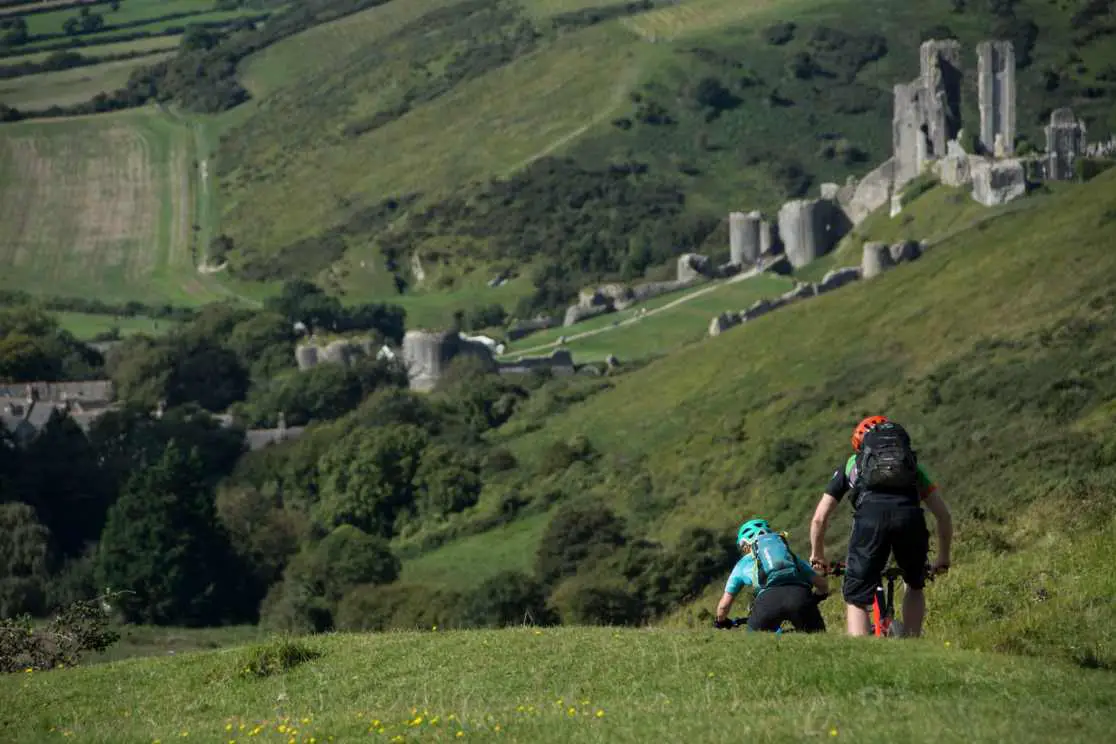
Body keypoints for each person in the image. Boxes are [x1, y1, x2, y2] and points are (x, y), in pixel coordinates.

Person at [808, 415, 953, 638]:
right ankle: (913, 642)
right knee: (914, 583)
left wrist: (818, 555)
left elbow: (819, 518)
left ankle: (861, 650)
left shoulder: (852, 464)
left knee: (856, 595)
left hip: (870, 521)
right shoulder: (911, 465)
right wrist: (943, 557)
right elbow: (943, 516)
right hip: (909, 518)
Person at [713, 518, 830, 633]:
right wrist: (815, 598)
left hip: (766, 603)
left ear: (745, 545)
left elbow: (724, 606)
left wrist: (721, 621)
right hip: (799, 596)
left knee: (754, 647)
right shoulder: (788, 556)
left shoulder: (742, 564)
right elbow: (822, 585)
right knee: (820, 641)